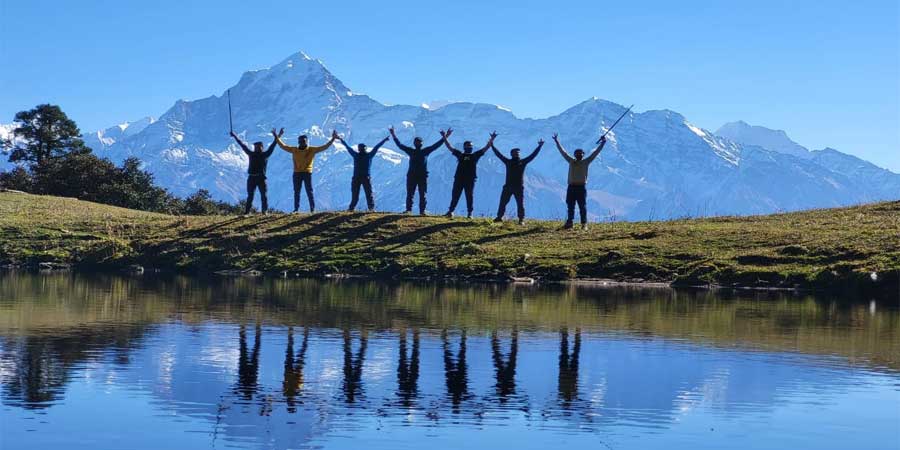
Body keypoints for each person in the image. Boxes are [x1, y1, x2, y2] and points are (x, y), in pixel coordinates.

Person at [273, 128, 337, 213]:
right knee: (297, 191)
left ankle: (312, 209)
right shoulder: (294, 150)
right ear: (299, 142)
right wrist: (277, 137)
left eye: (304, 141)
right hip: (297, 173)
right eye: (301, 141)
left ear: (306, 142)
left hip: (306, 173)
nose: (303, 142)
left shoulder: (311, 149)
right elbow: (283, 146)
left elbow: (324, 147)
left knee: (308, 191)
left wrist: (333, 139)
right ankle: (296, 209)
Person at [389, 126, 450, 215]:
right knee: (412, 193)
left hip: (420, 176)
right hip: (414, 175)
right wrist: (393, 134)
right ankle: (410, 210)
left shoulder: (417, 151)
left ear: (421, 143)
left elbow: (436, 145)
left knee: (421, 194)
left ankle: (421, 211)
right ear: (415, 143)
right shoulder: (422, 151)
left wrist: (446, 136)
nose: (418, 143)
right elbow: (400, 145)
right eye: (417, 142)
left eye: (419, 142)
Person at [553, 133, 607, 229]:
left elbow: (596, 153)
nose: (579, 154)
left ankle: (584, 224)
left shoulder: (586, 161)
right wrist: (557, 141)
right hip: (572, 187)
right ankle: (570, 223)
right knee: (571, 206)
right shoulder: (571, 161)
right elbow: (563, 152)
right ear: (574, 155)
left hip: (581, 188)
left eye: (580, 153)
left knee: (582, 207)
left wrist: (603, 143)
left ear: (583, 155)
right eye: (577, 153)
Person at [441, 131, 498, 218]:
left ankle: (469, 213)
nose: (469, 147)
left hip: (470, 179)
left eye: (470, 146)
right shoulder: (460, 154)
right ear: (464, 147)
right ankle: (451, 211)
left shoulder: (475, 155)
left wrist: (492, 139)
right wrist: (445, 137)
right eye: (468, 146)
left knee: (469, 196)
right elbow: (449, 146)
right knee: (455, 195)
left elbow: (486, 147)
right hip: (459, 179)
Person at [491, 138, 544, 224]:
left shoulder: (522, 162)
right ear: (511, 154)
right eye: (515, 153)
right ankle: (499, 217)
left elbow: (533, 155)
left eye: (518, 153)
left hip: (518, 187)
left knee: (520, 204)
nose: (517, 154)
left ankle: (521, 219)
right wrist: (492, 145)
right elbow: (498, 154)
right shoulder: (508, 161)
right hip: (508, 186)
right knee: (503, 202)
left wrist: (539, 146)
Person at [338, 135, 389, 211]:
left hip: (356, 178)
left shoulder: (356, 155)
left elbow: (348, 147)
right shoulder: (368, 155)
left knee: (355, 195)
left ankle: (351, 208)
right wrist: (384, 140)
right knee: (368, 194)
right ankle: (370, 209)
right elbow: (376, 147)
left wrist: (341, 139)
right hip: (365, 178)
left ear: (359, 149)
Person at [230, 131, 276, 215]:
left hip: (261, 178)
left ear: (262, 147)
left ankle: (264, 211)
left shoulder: (264, 154)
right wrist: (235, 136)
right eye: (255, 147)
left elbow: (272, 146)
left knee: (263, 195)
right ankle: (247, 212)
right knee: (250, 196)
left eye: (258, 147)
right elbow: (242, 145)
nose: (256, 148)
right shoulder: (252, 154)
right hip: (251, 178)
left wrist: (277, 136)